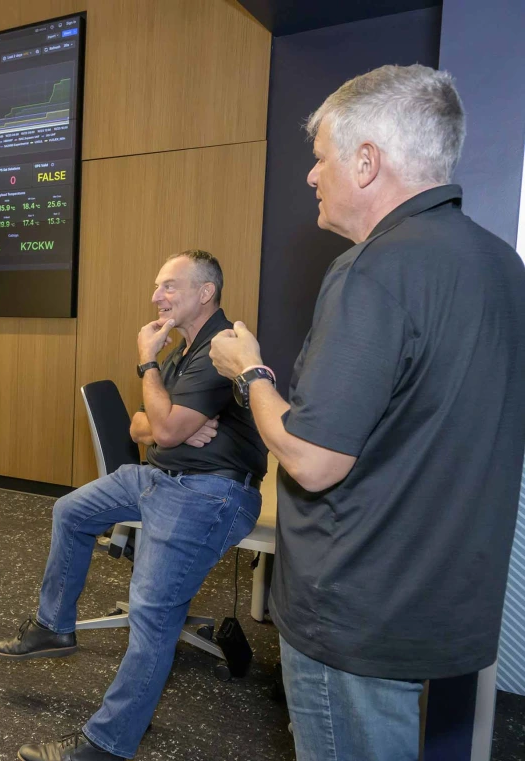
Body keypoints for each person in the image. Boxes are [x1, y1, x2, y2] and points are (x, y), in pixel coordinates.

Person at [210, 64, 525, 761]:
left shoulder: (374, 269)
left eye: (320, 158)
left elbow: (313, 459)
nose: (311, 177)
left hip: (355, 611)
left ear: (365, 161)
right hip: (446, 601)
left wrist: (251, 371)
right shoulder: (503, 266)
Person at [0, 250, 267, 760]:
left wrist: (147, 367)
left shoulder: (219, 349)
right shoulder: (186, 348)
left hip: (209, 493)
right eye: (157, 286)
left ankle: (106, 745)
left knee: (152, 615)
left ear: (206, 293)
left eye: (169, 287)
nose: (156, 297)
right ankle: (55, 627)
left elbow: (159, 426)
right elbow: (145, 426)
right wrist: (162, 427)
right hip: (162, 474)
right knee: (70, 511)